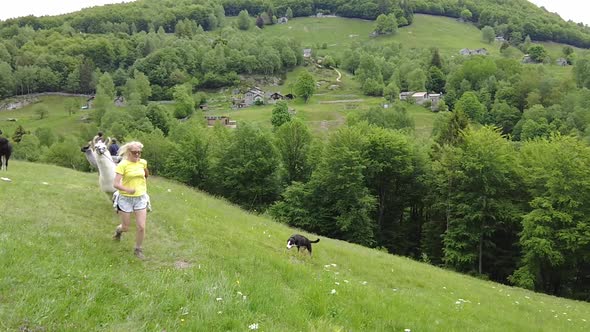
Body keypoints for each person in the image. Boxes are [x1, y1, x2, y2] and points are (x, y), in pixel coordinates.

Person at [112, 141, 149, 259]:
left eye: (139, 152)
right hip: (125, 199)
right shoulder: (123, 165)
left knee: (141, 226)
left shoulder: (143, 163)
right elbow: (116, 184)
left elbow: (146, 174)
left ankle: (138, 249)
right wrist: (127, 189)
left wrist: (141, 185)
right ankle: (118, 231)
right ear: (128, 152)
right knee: (126, 227)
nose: (137, 154)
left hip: (140, 198)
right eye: (134, 152)